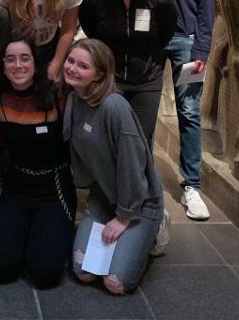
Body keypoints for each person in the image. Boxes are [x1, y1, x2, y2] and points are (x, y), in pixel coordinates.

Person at [134, 0, 214, 221]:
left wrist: (202, 48)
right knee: (144, 112)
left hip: (186, 39)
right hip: (148, 39)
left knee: (189, 113)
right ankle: (145, 183)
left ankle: (192, 186)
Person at [64, 39, 165, 295]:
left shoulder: (114, 107)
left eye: (83, 66)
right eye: (71, 61)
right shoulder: (75, 98)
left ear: (99, 74)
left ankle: (155, 227)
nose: (73, 69)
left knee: (115, 283)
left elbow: (132, 164)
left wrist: (124, 217)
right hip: (105, 195)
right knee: (83, 272)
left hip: (139, 202)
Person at [0, 34, 74, 289]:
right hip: (16, 187)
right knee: (1, 270)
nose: (18, 65)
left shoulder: (59, 94)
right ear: (3, 65)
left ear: (36, 63)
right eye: (11, 59)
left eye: (25, 58)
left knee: (45, 275)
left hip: (54, 188)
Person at [79, 0, 178, 146]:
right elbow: (89, 28)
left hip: (146, 81)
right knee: (110, 140)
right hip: (110, 82)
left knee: (140, 143)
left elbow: (166, 32)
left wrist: (148, 58)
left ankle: (139, 181)